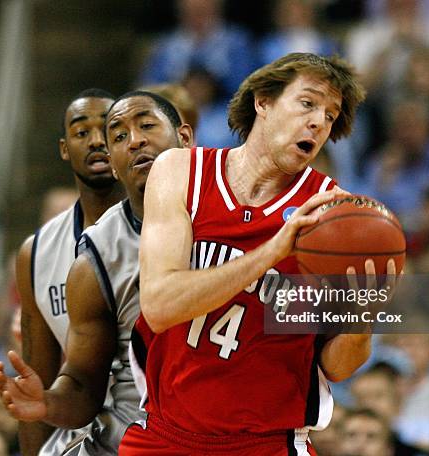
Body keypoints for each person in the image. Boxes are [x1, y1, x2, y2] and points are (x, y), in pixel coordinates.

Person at [123, 52, 397, 455]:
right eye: (308, 103)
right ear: (263, 101)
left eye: (330, 115)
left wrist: (362, 318)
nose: (319, 122)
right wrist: (272, 251)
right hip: (165, 435)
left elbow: (337, 367)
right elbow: (160, 304)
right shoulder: (180, 172)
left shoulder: (334, 218)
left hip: (266, 442)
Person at [0, 92, 193, 454]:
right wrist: (45, 405)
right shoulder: (87, 254)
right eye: (119, 135)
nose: (133, 140)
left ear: (185, 137)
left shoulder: (245, 212)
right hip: (122, 430)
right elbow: (76, 383)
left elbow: (319, 348)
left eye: (146, 126)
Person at [10, 88, 125, 455]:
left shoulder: (163, 226)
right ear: (64, 149)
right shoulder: (36, 253)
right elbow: (37, 382)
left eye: (108, 131)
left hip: (161, 422)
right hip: (85, 423)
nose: (96, 141)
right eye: (81, 132)